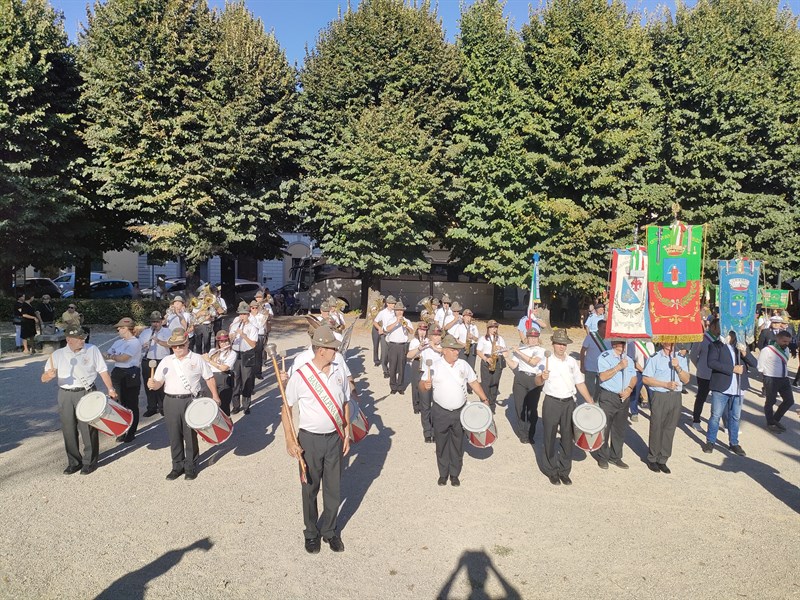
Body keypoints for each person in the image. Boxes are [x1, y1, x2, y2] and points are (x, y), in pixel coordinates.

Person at [283, 326, 355, 553]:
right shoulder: (301, 376)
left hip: (335, 437)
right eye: (333, 348)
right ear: (322, 349)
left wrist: (347, 432)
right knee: (310, 488)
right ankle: (311, 532)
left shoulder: (339, 372)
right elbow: (286, 409)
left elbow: (345, 403)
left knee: (333, 488)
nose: (336, 351)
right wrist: (289, 440)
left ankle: (330, 531)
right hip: (309, 440)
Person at [40, 325, 117, 475]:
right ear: (69, 339)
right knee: (68, 428)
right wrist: (48, 376)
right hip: (65, 394)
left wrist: (110, 389)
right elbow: (43, 378)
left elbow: (102, 370)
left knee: (88, 428)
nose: (83, 340)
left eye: (83, 337)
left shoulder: (92, 349)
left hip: (86, 391)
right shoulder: (57, 355)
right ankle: (74, 462)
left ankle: (90, 461)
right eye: (79, 338)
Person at [147, 328, 220, 480]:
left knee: (190, 435)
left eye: (181, 345)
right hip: (171, 401)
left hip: (191, 401)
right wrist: (154, 385)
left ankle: (191, 467)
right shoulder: (166, 361)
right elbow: (159, 382)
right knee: (174, 435)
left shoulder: (197, 358)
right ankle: (177, 466)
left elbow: (209, 378)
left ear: (187, 343)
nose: (178, 349)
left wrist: (215, 396)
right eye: (175, 346)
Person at [420, 334, 490, 487]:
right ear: (444, 350)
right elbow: (422, 384)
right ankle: (443, 474)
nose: (456, 352)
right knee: (441, 444)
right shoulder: (435, 366)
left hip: (460, 412)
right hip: (440, 412)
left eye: (457, 350)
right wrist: (424, 387)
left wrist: (484, 398)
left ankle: (454, 474)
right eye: (453, 350)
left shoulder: (463, 365)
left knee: (458, 444)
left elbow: (473, 382)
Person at [535, 329, 594, 486]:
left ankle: (564, 471)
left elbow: (579, 383)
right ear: (553, 344)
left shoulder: (571, 362)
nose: (561, 347)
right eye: (559, 344)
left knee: (568, 438)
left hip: (569, 403)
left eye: (564, 344)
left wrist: (590, 401)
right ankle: (551, 470)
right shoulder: (545, 361)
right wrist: (542, 377)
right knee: (549, 436)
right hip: (551, 402)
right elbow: (536, 382)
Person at [702, 331, 757, 456]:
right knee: (715, 416)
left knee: (735, 417)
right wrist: (732, 369)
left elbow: (754, 364)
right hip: (721, 387)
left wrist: (745, 353)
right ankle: (710, 442)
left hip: (738, 387)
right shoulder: (716, 345)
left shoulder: (741, 345)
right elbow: (711, 362)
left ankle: (734, 443)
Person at [642, 342, 690, 473]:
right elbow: (646, 379)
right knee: (657, 426)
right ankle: (652, 458)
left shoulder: (680, 358)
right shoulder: (655, 358)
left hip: (675, 397)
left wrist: (678, 367)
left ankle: (663, 459)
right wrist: (665, 384)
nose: (670, 344)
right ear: (663, 342)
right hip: (660, 395)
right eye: (667, 341)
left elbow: (686, 380)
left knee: (670, 428)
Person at [592, 339, 637, 469]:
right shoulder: (605, 357)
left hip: (624, 397)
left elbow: (633, 377)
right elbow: (603, 377)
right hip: (609, 396)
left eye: (625, 343)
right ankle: (602, 457)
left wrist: (629, 389)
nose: (624, 346)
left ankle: (615, 457)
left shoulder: (629, 359)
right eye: (621, 343)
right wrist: (619, 367)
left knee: (620, 429)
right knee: (604, 428)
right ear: (613, 344)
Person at [103, 318, 143, 443]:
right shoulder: (118, 342)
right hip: (118, 372)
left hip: (130, 373)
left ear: (127, 329)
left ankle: (131, 432)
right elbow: (107, 355)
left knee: (131, 404)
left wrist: (112, 356)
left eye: (121, 327)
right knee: (119, 403)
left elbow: (124, 358)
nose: (118, 329)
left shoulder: (135, 342)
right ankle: (122, 430)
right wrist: (113, 356)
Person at [505, 328, 545, 443]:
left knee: (532, 409)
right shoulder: (522, 348)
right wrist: (506, 356)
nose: (533, 340)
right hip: (520, 378)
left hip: (534, 380)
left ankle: (531, 434)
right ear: (527, 338)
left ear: (538, 338)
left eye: (535, 337)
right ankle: (523, 434)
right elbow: (513, 366)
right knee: (520, 408)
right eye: (531, 338)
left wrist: (518, 352)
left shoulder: (540, 350)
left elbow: (533, 362)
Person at [409, 325, 443, 442]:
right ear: (430, 336)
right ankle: (427, 432)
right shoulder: (425, 345)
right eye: (435, 335)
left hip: (439, 380)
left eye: (439, 335)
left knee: (437, 407)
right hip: (425, 379)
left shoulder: (442, 346)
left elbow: (450, 352)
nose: (437, 337)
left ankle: (435, 430)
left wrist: (435, 348)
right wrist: (419, 348)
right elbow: (409, 356)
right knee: (426, 407)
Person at [757, 330, 794, 434]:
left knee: (789, 400)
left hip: (784, 378)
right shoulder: (768, 350)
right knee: (771, 401)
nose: (786, 344)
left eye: (788, 341)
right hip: (771, 378)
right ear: (777, 339)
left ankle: (775, 419)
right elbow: (760, 366)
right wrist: (765, 378)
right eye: (784, 341)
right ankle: (770, 423)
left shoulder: (786, 350)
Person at [689, 319, 721, 431]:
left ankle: (723, 422)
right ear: (712, 327)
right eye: (719, 326)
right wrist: (700, 366)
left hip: (718, 374)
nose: (721, 329)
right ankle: (696, 419)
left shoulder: (721, 339)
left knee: (720, 398)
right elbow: (693, 355)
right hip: (704, 374)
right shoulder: (702, 338)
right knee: (701, 397)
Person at [139, 311, 171, 417]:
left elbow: (170, 344)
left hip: (162, 360)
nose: (155, 324)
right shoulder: (145, 332)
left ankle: (163, 407)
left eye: (157, 322)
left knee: (162, 385)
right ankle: (152, 407)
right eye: (153, 322)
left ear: (161, 322)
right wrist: (144, 346)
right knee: (149, 385)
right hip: (148, 360)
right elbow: (138, 346)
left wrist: (158, 341)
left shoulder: (167, 331)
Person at [229, 301, 259, 415]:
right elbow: (229, 341)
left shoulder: (252, 328)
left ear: (248, 315)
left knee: (247, 380)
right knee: (235, 380)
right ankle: (236, 405)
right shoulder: (234, 326)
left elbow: (253, 345)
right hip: (236, 353)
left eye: (245, 314)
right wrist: (231, 337)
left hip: (247, 354)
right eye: (241, 314)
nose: (242, 316)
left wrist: (243, 335)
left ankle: (246, 405)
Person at [203, 331, 237, 416]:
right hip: (211, 378)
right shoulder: (213, 351)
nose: (224, 344)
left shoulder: (232, 353)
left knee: (224, 407)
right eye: (221, 342)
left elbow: (224, 368)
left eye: (226, 341)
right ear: (218, 342)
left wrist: (209, 360)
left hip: (224, 379)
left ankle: (227, 428)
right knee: (211, 405)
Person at [476, 320, 507, 411]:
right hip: (487, 360)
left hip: (497, 361)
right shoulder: (483, 339)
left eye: (496, 327)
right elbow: (478, 351)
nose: (494, 329)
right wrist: (486, 359)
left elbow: (506, 352)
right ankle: (485, 404)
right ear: (488, 328)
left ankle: (492, 405)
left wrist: (500, 348)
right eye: (492, 327)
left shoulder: (500, 339)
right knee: (485, 384)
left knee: (494, 383)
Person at [384, 300, 412, 394]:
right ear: (395, 311)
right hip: (393, 345)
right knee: (392, 367)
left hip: (403, 345)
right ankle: (393, 386)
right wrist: (396, 322)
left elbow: (411, 331)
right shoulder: (391, 320)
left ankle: (400, 387)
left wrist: (406, 326)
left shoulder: (407, 321)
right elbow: (387, 329)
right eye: (398, 310)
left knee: (401, 367)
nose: (400, 312)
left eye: (401, 310)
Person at [579, 318, 607, 399]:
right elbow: (582, 351)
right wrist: (582, 365)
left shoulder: (609, 339)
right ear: (598, 327)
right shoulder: (590, 337)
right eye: (603, 328)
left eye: (606, 327)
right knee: (589, 390)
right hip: (590, 368)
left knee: (600, 391)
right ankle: (588, 407)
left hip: (603, 369)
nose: (605, 330)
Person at [628, 338, 655, 419]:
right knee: (635, 393)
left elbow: (652, 358)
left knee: (652, 393)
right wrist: (643, 371)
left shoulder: (650, 343)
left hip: (649, 372)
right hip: (638, 371)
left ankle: (654, 413)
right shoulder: (632, 343)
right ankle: (634, 412)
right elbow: (632, 360)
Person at [406, 322, 429, 415]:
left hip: (425, 363)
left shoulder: (428, 340)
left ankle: (424, 404)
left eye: (424, 330)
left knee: (424, 384)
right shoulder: (414, 341)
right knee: (415, 385)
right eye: (421, 330)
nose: (422, 332)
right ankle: (416, 406)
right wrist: (419, 348)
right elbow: (409, 355)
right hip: (416, 361)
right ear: (417, 330)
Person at [375, 295, 397, 377]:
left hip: (393, 334)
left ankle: (391, 369)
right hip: (384, 334)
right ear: (387, 304)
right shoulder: (382, 313)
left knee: (392, 353)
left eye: (394, 303)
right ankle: (385, 370)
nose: (393, 305)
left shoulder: (395, 312)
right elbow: (375, 321)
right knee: (384, 353)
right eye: (391, 303)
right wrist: (379, 328)